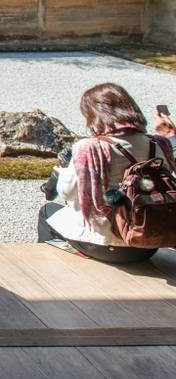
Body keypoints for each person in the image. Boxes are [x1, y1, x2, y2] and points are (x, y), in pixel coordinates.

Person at [37, 82, 175, 263]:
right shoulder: (159, 144)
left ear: (94, 115)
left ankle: (56, 269)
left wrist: (65, 168)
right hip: (148, 242)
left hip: (104, 245)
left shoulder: (90, 148)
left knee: (47, 212)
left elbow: (67, 193)